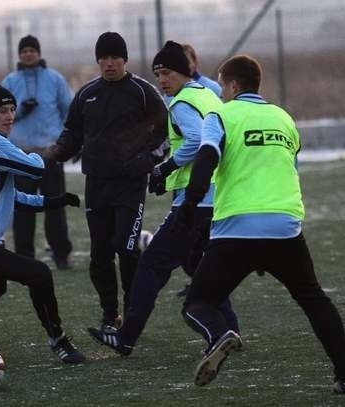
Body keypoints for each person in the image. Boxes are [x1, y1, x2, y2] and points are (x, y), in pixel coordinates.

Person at [174, 55, 345, 393]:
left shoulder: (223, 113)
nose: (220, 92)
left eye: (222, 85)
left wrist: (190, 202)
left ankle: (220, 336)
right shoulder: (284, 119)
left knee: (197, 303)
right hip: (284, 228)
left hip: (237, 228)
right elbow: (287, 164)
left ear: (233, 85)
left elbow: (207, 157)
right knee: (314, 299)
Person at [88, 41, 238, 356]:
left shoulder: (182, 101)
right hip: (219, 198)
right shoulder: (208, 95)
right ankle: (230, 331)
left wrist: (166, 167)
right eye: (157, 73)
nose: (161, 80)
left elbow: (198, 141)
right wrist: (166, 176)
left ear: (183, 72)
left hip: (194, 203)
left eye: (167, 72)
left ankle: (126, 337)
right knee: (200, 267)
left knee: (151, 265)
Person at [0, 81, 85, 364]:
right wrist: (51, 150)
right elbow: (35, 168)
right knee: (39, 274)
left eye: (12, 109)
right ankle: (58, 339)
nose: (10, 115)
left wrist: (55, 200)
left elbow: (16, 199)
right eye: (2, 110)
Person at [43, 32, 168, 330]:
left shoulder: (142, 91)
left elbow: (165, 131)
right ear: (98, 60)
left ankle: (133, 312)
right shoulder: (87, 94)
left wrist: (148, 159)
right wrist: (53, 154)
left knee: (126, 248)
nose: (109, 63)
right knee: (100, 256)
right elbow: (71, 133)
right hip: (97, 183)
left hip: (130, 184)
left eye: (115, 57)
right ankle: (110, 313)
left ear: (125, 60)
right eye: (104, 58)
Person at [2, 35, 74, 270]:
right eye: (24, 51)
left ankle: (61, 255)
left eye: (32, 50)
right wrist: (20, 111)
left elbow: (69, 111)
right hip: (21, 156)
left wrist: (63, 144)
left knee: (55, 207)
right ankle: (24, 257)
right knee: (23, 209)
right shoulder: (10, 82)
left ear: (39, 53)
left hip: (50, 155)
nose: (28, 54)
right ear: (19, 55)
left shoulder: (54, 79)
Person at [175, 42, 223, 297]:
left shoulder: (213, 89)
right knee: (187, 238)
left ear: (195, 61)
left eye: (187, 59)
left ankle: (205, 285)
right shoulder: (170, 92)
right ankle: (199, 281)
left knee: (200, 236)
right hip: (182, 179)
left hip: (207, 179)